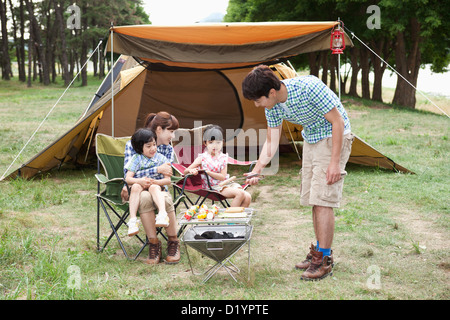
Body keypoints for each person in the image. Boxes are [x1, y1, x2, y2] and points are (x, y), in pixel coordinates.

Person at [241, 65, 353, 281]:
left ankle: (325, 260)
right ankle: (319, 252)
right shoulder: (272, 106)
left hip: (334, 136)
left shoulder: (309, 87)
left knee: (323, 200)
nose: (257, 104)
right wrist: (256, 170)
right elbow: (272, 141)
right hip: (311, 139)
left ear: (271, 93)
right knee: (314, 199)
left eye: (258, 100)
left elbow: (338, 122)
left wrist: (334, 163)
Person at [122, 111, 180, 265]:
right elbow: (128, 175)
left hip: (160, 188)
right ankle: (154, 244)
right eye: (171, 132)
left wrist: (154, 176)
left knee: (160, 195)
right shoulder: (134, 144)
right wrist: (155, 171)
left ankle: (173, 241)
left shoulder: (166, 149)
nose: (173, 137)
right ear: (159, 129)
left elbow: (167, 172)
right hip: (139, 189)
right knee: (144, 197)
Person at [184, 125, 251, 208]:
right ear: (205, 143)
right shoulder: (202, 158)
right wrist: (191, 170)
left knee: (247, 196)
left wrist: (208, 172)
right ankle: (231, 219)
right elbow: (185, 171)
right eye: (211, 142)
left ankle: (238, 220)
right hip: (214, 187)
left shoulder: (223, 158)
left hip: (226, 183)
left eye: (218, 142)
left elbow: (222, 177)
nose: (214, 146)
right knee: (240, 193)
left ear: (222, 142)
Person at [125, 128, 171, 237]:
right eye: (148, 146)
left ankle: (162, 214)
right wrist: (139, 181)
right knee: (135, 186)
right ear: (140, 148)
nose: (153, 148)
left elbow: (168, 180)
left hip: (156, 185)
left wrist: (154, 182)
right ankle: (133, 220)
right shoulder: (136, 159)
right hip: (141, 187)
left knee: (154, 187)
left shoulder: (162, 159)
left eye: (154, 144)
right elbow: (128, 179)